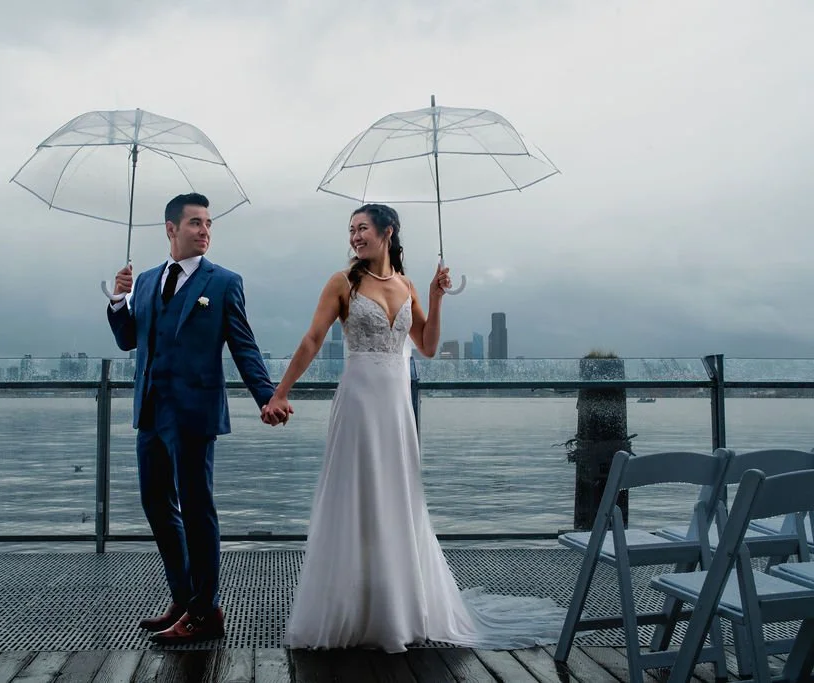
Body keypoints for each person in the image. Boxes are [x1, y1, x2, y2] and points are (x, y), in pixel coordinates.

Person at [263, 203, 565, 653]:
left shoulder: (405, 286)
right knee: (357, 496)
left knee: (398, 498)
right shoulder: (342, 282)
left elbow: (425, 346)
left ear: (387, 232)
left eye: (362, 228)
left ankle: (399, 607)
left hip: (396, 408)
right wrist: (280, 392)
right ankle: (353, 609)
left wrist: (435, 296)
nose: (354, 237)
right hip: (359, 404)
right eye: (350, 230)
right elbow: (312, 339)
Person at [107, 192, 291, 645]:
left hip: (194, 413)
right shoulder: (146, 282)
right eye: (195, 223)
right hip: (150, 409)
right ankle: (185, 596)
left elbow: (243, 345)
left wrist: (266, 396)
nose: (205, 230)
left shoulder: (224, 282)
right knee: (156, 505)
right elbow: (129, 341)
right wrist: (118, 300)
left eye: (208, 223)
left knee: (196, 508)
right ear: (170, 229)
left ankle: (205, 612)